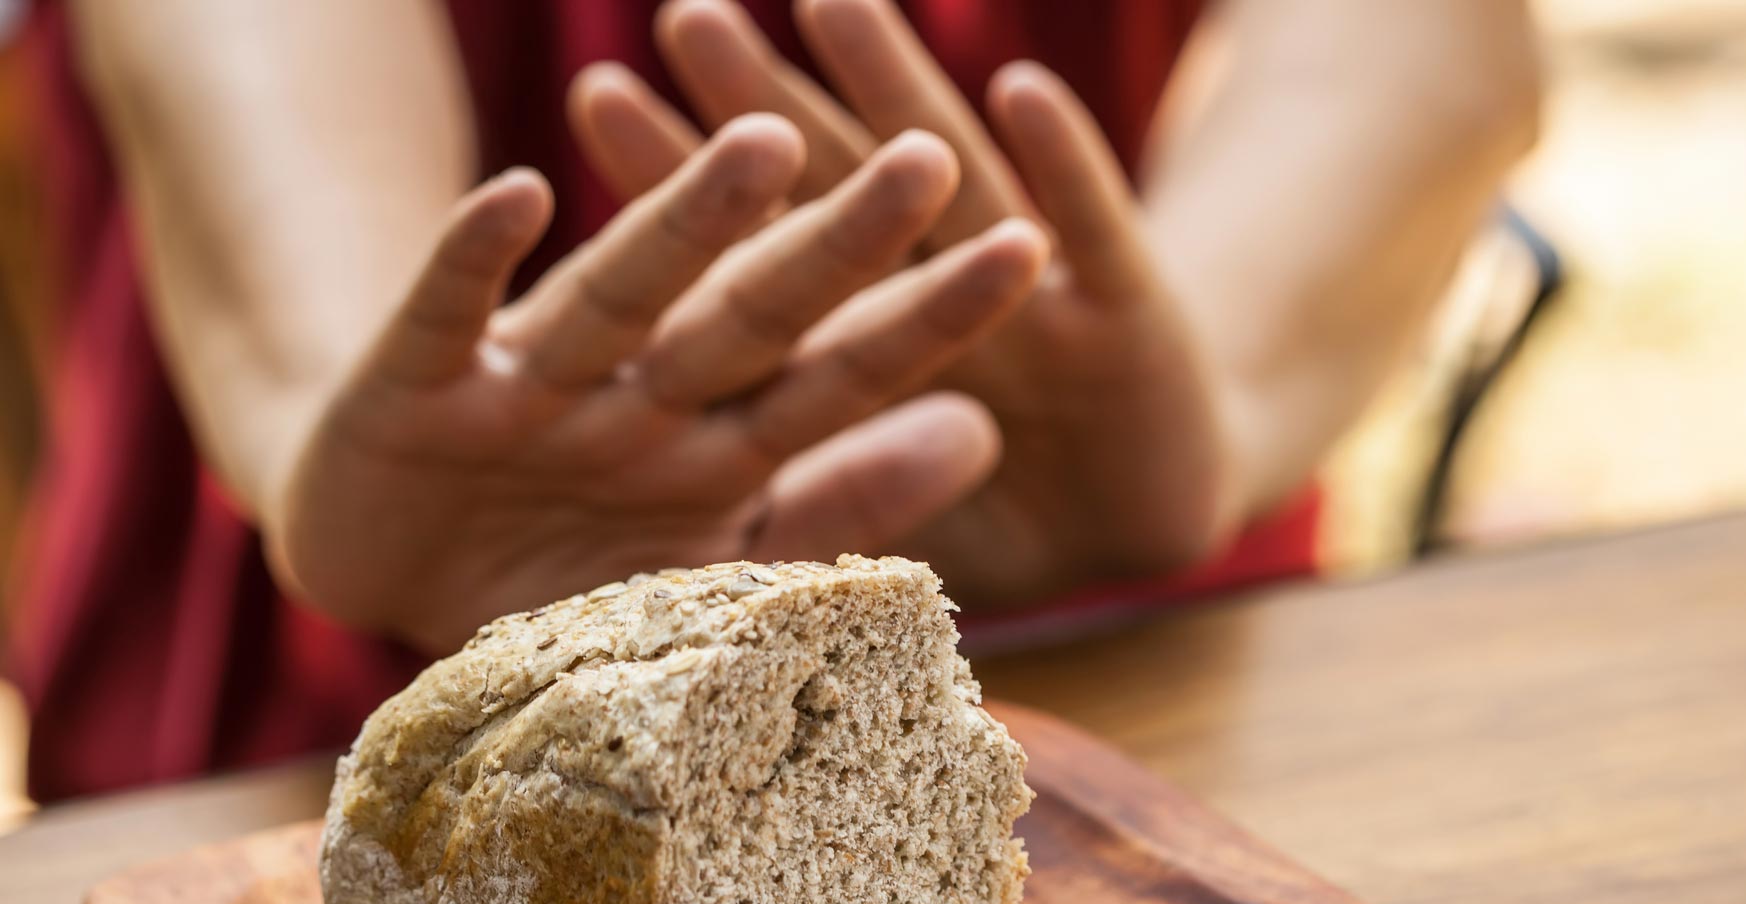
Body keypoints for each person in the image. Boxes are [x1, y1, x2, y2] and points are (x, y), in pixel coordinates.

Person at [10, 0, 1539, 799]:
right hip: (314, 720)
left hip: (1119, 674)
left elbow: (1423, 41)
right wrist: (326, 384)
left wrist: (1218, 367)